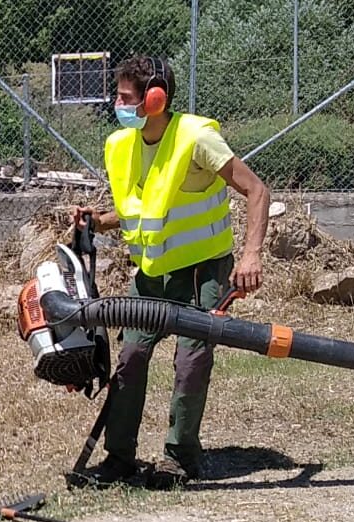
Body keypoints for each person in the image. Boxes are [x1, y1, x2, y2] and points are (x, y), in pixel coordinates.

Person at [71, 56, 270, 486]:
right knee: (131, 356)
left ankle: (181, 457)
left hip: (202, 273)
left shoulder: (195, 137)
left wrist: (251, 255)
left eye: (125, 97)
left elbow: (256, 190)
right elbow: (145, 210)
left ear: (155, 99)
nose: (117, 104)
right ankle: (119, 458)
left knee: (191, 359)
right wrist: (99, 221)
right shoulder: (122, 145)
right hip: (152, 274)